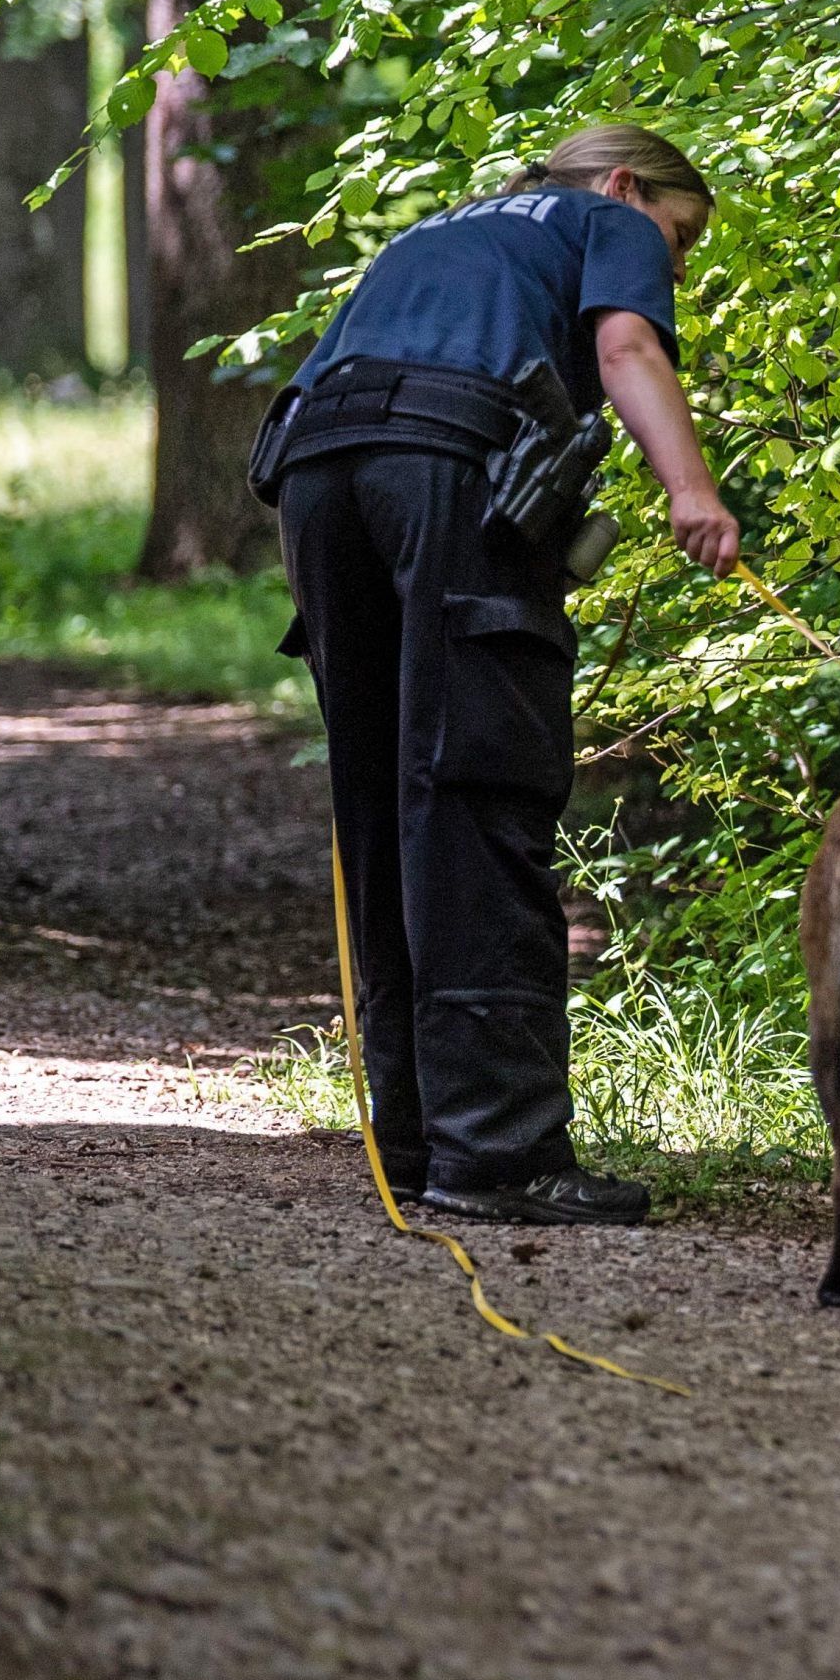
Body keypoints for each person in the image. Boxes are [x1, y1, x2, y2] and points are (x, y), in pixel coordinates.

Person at [267, 122, 743, 1227]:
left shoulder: (435, 232)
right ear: (628, 187)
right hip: (442, 467)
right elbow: (627, 346)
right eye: (680, 238)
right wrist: (692, 490)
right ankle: (499, 1156)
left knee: (383, 801)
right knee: (478, 787)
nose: (675, 266)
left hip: (313, 476)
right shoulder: (603, 219)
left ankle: (415, 1136)